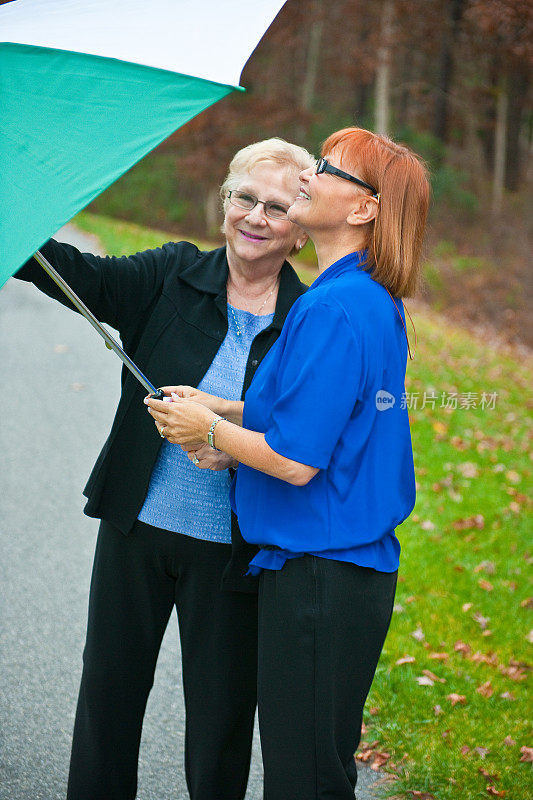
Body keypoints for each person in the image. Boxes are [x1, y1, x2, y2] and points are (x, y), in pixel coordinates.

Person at [15, 137, 314, 800]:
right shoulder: (171, 275)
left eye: (277, 206)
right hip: (137, 529)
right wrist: (20, 212)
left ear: (301, 231)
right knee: (108, 696)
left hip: (237, 551)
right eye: (244, 198)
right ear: (223, 205)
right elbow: (73, 273)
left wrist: (228, 439)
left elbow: (308, 434)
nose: (256, 216)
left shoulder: (309, 320)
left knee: (221, 720)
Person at [145, 126, 430, 800]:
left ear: (362, 209)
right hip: (335, 577)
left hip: (320, 583)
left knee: (303, 780)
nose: (308, 175)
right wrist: (226, 408)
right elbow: (324, 414)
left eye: (327, 169)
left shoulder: (332, 306)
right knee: (314, 767)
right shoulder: (361, 295)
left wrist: (207, 427)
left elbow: (298, 461)